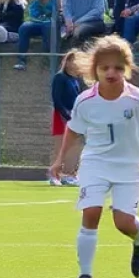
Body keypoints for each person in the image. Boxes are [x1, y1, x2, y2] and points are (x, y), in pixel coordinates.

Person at [50, 35, 139, 278]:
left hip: (130, 166)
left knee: (123, 222)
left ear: (127, 68)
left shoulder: (138, 98)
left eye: (117, 67)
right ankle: (85, 275)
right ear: (95, 70)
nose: (111, 72)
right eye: (105, 68)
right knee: (91, 212)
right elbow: (74, 130)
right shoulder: (85, 101)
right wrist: (60, 159)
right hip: (95, 162)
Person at [50, 49, 84, 187]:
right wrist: (66, 115)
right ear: (68, 62)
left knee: (74, 146)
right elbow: (57, 99)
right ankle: (54, 175)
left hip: (73, 115)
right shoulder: (60, 77)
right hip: (61, 115)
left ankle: (69, 174)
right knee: (60, 145)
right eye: (75, 61)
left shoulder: (75, 80)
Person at [14, 0, 55, 68]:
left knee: (47, 26)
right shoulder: (35, 2)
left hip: (50, 24)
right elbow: (33, 16)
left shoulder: (54, 1)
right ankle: (22, 59)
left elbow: (55, 14)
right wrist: (44, 15)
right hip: (37, 23)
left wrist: (46, 15)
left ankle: (47, 59)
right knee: (24, 27)